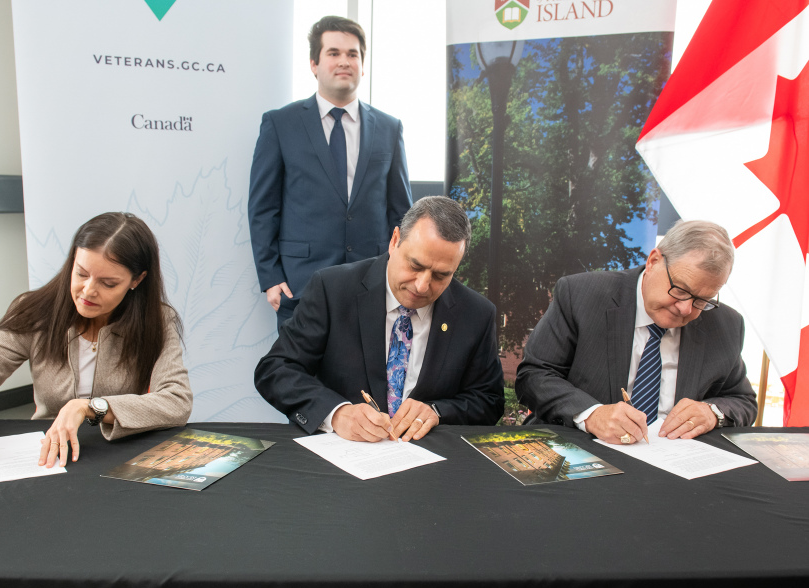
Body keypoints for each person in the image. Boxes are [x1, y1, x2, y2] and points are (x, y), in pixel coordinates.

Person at [0, 212, 193, 467]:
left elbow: (176, 401)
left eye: (108, 283)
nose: (88, 291)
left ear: (137, 280)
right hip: (49, 456)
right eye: (81, 273)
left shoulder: (157, 320)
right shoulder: (34, 313)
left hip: (121, 456)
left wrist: (90, 408)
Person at [255, 196, 504, 442]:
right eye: (415, 265)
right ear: (394, 241)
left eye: (441, 275)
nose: (422, 285)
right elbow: (275, 370)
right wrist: (336, 413)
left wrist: (437, 411)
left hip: (431, 469)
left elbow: (489, 401)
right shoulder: (332, 290)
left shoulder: (476, 314)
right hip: (339, 463)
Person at [516, 220, 757, 445]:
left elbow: (742, 400)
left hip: (676, 464)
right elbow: (534, 376)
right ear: (653, 261)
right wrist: (591, 414)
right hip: (582, 449)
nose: (686, 308)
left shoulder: (725, 324)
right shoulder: (581, 295)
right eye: (681, 290)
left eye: (702, 300)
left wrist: (711, 413)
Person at [248, 15, 412, 328]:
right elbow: (263, 208)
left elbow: (400, 212)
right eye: (333, 53)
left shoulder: (390, 129)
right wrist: (271, 277)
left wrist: (399, 273)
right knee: (296, 375)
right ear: (314, 63)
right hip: (299, 285)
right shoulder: (281, 124)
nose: (344, 61)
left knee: (363, 376)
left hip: (372, 283)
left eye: (353, 54)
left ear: (363, 65)